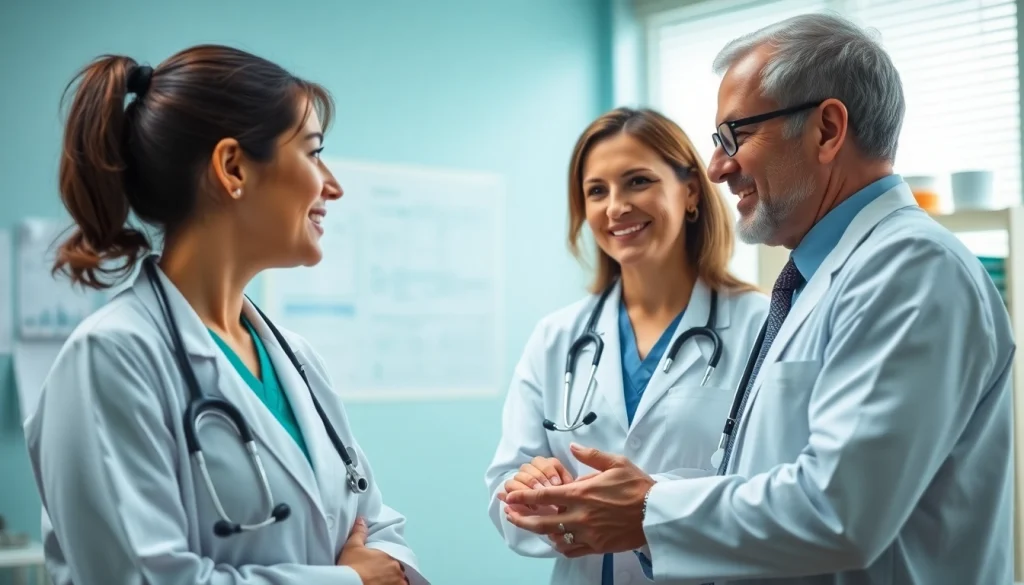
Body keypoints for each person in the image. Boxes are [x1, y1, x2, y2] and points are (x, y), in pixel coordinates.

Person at [501, 12, 1015, 585]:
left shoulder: (911, 270)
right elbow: (763, 483)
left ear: (826, 130)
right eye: (595, 191)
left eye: (735, 135)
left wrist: (648, 510)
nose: (720, 166)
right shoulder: (812, 283)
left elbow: (838, 511)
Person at [23, 44, 428, 585]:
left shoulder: (294, 357)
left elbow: (377, 531)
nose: (332, 184)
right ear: (233, 167)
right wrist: (348, 582)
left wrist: (378, 568)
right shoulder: (110, 358)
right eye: (311, 153)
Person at [484, 107, 769, 584]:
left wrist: (650, 507)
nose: (616, 207)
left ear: (691, 191)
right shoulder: (557, 337)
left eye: (638, 181)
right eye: (597, 191)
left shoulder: (761, 327)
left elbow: (776, 493)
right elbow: (504, 491)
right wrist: (534, 491)